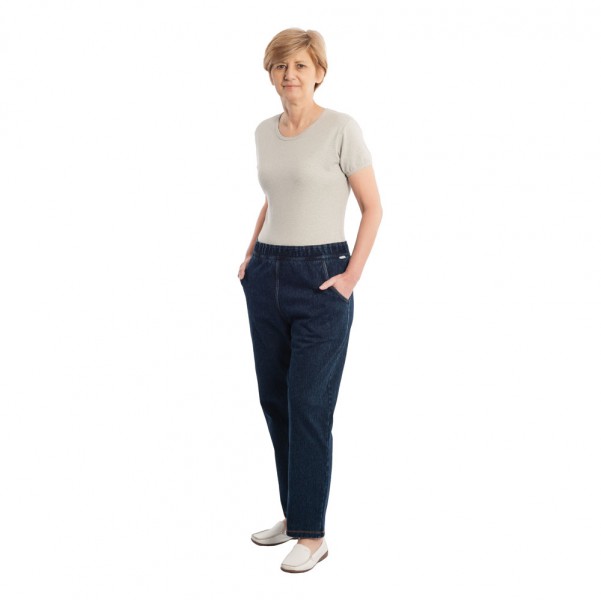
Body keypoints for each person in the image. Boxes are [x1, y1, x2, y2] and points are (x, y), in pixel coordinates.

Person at [238, 27, 383, 573]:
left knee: (308, 406)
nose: (289, 75)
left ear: (319, 72)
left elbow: (373, 207)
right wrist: (250, 255)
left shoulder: (341, 128)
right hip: (267, 275)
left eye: (300, 65)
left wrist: (349, 278)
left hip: (322, 278)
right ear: (271, 74)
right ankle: (294, 514)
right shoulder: (264, 131)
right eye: (280, 66)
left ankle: (313, 533)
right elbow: (274, 198)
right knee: (275, 401)